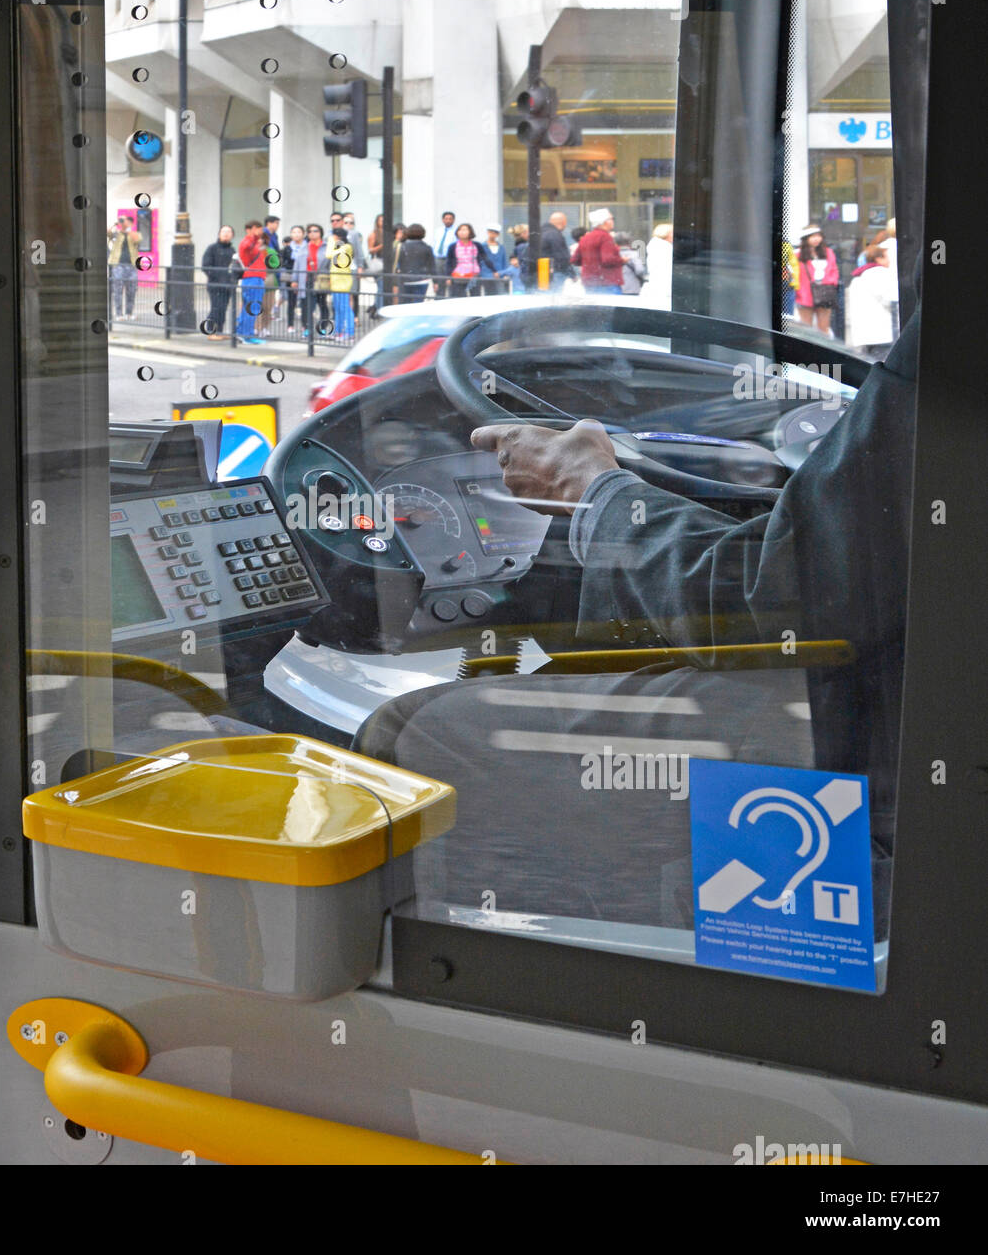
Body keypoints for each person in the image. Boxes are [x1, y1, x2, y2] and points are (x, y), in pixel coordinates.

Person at [358, 319, 919, 929]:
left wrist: (593, 492)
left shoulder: (953, 334)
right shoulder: (946, 346)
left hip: (876, 743)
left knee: (414, 728)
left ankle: (516, 985)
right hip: (907, 705)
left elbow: (777, 612)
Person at [845, 243, 898, 358]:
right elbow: (892, 299)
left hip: (865, 334)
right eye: (887, 257)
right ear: (878, 259)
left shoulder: (860, 276)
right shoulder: (879, 273)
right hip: (881, 334)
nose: (890, 261)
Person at [795, 224, 838, 334]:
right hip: (804, 294)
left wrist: (831, 283)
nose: (816, 239)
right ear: (805, 238)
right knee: (806, 329)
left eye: (818, 236)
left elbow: (833, 270)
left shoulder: (828, 252)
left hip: (824, 292)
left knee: (824, 329)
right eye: (812, 236)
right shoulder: (798, 254)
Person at [570, 209, 623, 294]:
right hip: (607, 282)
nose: (613, 221)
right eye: (612, 218)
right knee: (613, 306)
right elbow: (608, 260)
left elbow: (575, 260)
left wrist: (590, 262)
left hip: (589, 283)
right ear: (605, 222)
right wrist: (622, 260)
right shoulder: (605, 237)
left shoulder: (585, 238)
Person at [235, 220, 269, 343]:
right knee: (252, 307)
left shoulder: (255, 243)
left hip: (255, 278)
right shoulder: (248, 241)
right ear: (251, 229)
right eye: (257, 228)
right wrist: (254, 237)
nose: (260, 231)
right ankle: (247, 335)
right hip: (253, 278)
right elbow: (245, 247)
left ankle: (241, 332)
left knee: (248, 307)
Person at [200, 224, 237, 337]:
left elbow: (235, 267)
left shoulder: (232, 250)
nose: (226, 234)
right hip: (215, 285)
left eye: (229, 232)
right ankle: (211, 331)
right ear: (219, 234)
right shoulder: (212, 248)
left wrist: (232, 278)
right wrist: (219, 276)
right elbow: (205, 266)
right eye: (223, 232)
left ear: (232, 235)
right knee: (216, 309)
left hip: (228, 285)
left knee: (223, 310)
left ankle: (219, 331)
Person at [392, 223, 435, 304]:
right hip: (422, 279)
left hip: (405, 279)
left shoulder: (401, 247)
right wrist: (436, 282)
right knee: (417, 304)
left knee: (404, 304)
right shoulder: (427, 248)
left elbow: (394, 262)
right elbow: (432, 266)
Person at [325, 229, 356, 341]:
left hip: (343, 282)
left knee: (345, 308)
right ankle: (338, 332)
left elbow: (328, 254)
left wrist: (330, 241)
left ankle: (349, 332)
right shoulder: (338, 247)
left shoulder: (347, 247)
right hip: (335, 281)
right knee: (337, 308)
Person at [108, 218, 140, 321]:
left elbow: (137, 239)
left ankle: (129, 313)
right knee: (118, 291)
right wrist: (115, 224)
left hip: (131, 266)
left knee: (131, 291)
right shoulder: (117, 235)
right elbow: (107, 232)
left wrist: (127, 229)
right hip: (118, 266)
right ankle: (118, 314)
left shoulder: (135, 234)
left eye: (127, 222)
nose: (124, 223)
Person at [445, 222, 487, 297]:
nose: (462, 232)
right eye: (460, 230)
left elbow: (485, 259)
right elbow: (449, 262)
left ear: (470, 232)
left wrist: (494, 270)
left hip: (474, 275)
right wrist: (448, 277)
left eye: (464, 230)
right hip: (458, 275)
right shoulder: (452, 246)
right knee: (459, 298)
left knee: (475, 297)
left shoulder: (477, 245)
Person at [302, 223, 328, 332]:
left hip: (322, 278)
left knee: (322, 305)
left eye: (315, 231)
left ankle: (322, 328)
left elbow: (330, 262)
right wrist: (295, 280)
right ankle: (307, 329)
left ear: (321, 232)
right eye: (310, 231)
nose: (312, 233)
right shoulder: (305, 246)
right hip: (308, 278)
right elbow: (298, 263)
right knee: (307, 305)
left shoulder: (326, 246)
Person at [640, 224, 673, 310]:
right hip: (662, 288)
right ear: (665, 234)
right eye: (672, 232)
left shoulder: (656, 245)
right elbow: (665, 271)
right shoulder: (664, 247)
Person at [283, 224, 308, 330]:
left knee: (305, 302)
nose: (296, 234)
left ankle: (304, 325)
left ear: (303, 234)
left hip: (305, 277)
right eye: (294, 232)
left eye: (299, 232)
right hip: (291, 277)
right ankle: (290, 324)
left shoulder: (308, 246)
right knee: (291, 302)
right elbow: (284, 262)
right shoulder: (287, 248)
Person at [537, 212, 573, 288]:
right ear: (563, 223)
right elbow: (562, 257)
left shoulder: (539, 233)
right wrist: (572, 274)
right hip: (554, 273)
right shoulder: (555, 235)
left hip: (540, 272)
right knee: (555, 296)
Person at [260, 215, 282, 323]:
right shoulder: (264, 234)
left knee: (269, 303)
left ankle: (264, 327)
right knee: (262, 303)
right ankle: (258, 328)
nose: (277, 226)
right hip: (264, 272)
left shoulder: (275, 235)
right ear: (269, 223)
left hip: (273, 271)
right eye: (276, 223)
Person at [480, 224, 509, 295]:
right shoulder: (482, 246)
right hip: (486, 275)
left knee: (500, 294)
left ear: (498, 234)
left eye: (495, 233)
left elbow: (504, 261)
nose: (493, 234)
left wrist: (504, 273)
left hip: (500, 275)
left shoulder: (501, 247)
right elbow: (480, 261)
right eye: (491, 232)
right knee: (488, 294)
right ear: (487, 232)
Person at [433, 210, 457, 287]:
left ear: (453, 220)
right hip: (438, 259)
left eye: (450, 219)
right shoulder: (438, 230)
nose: (448, 221)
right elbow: (434, 243)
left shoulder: (456, 231)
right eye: (446, 218)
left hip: (450, 259)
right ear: (443, 220)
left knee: (450, 281)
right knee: (440, 282)